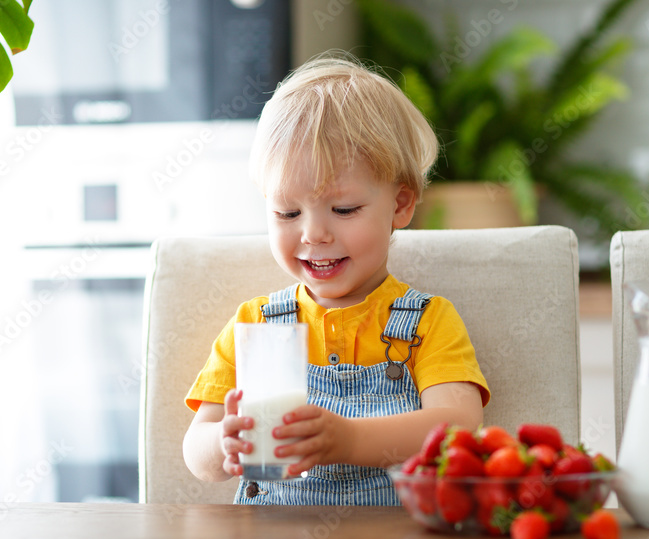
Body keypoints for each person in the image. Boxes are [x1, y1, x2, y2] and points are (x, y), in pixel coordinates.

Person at [182, 53, 490, 505]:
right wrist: (223, 444)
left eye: (343, 210)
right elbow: (196, 451)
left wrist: (347, 441)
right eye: (287, 212)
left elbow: (458, 426)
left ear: (401, 205)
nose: (313, 233)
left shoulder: (428, 321)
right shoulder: (256, 324)